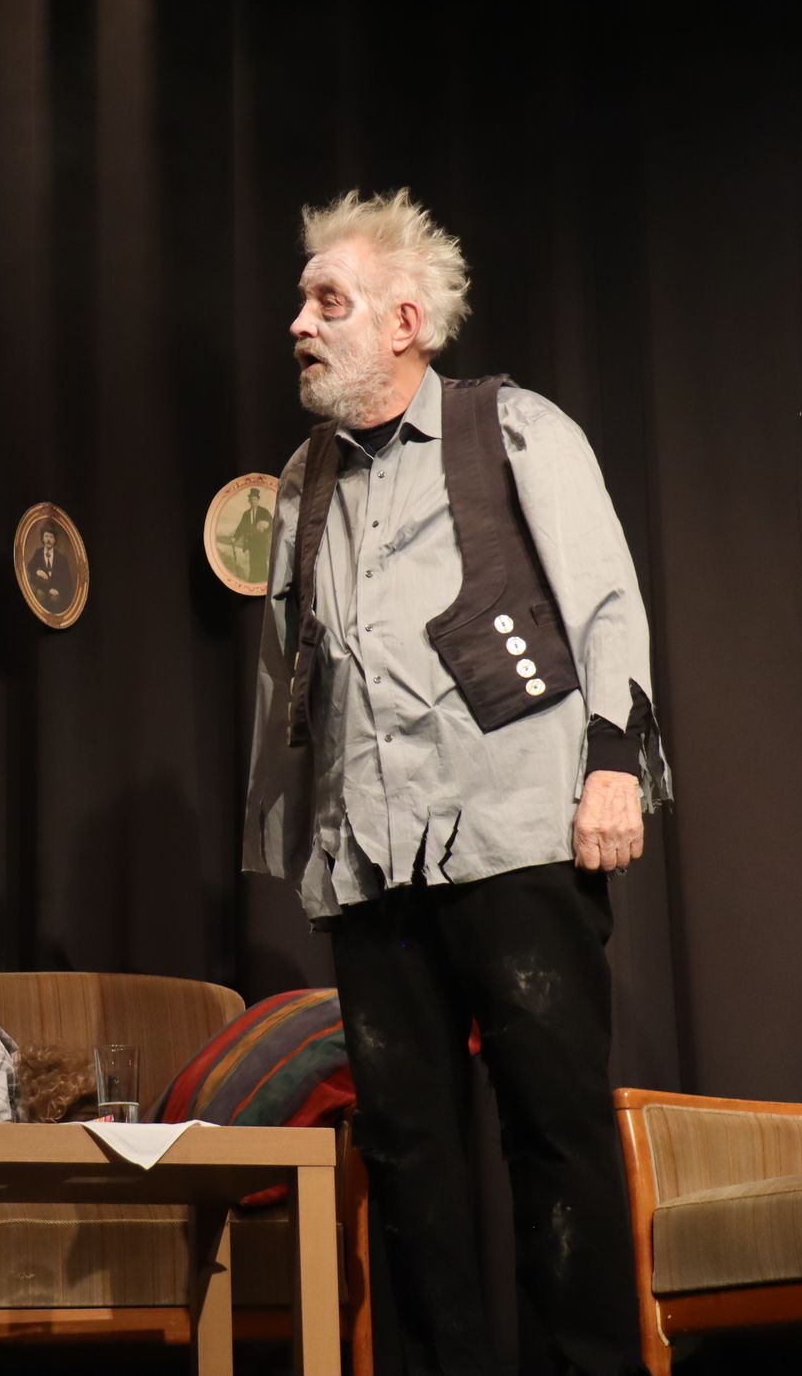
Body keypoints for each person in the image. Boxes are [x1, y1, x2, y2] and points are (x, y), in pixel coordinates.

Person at [243, 189, 668, 1376]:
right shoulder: (302, 481)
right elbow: (290, 671)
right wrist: (301, 841)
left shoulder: (511, 429)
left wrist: (612, 767)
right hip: (371, 861)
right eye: (301, 302)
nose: (297, 324)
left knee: (553, 1128)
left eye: (326, 302)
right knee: (405, 1152)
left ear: (404, 322)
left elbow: (605, 604)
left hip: (514, 835)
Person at [228, 486, 273, 583]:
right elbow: (241, 527)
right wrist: (235, 537)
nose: (253, 501)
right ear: (249, 501)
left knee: (261, 562)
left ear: (258, 500)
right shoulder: (246, 514)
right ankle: (253, 582)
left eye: (255, 499)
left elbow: (271, 523)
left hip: (261, 543)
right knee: (253, 563)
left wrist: (266, 526)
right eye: (251, 499)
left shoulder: (264, 512)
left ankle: (263, 582)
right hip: (251, 543)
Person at [29, 525, 75, 612]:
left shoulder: (61, 558)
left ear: (55, 540)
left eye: (51, 537)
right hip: (42, 588)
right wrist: (37, 571)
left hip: (55, 591)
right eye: (46, 536)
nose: (48, 540)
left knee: (55, 601)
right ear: (43, 538)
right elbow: (30, 566)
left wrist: (58, 591)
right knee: (39, 595)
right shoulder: (38, 553)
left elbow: (67, 580)